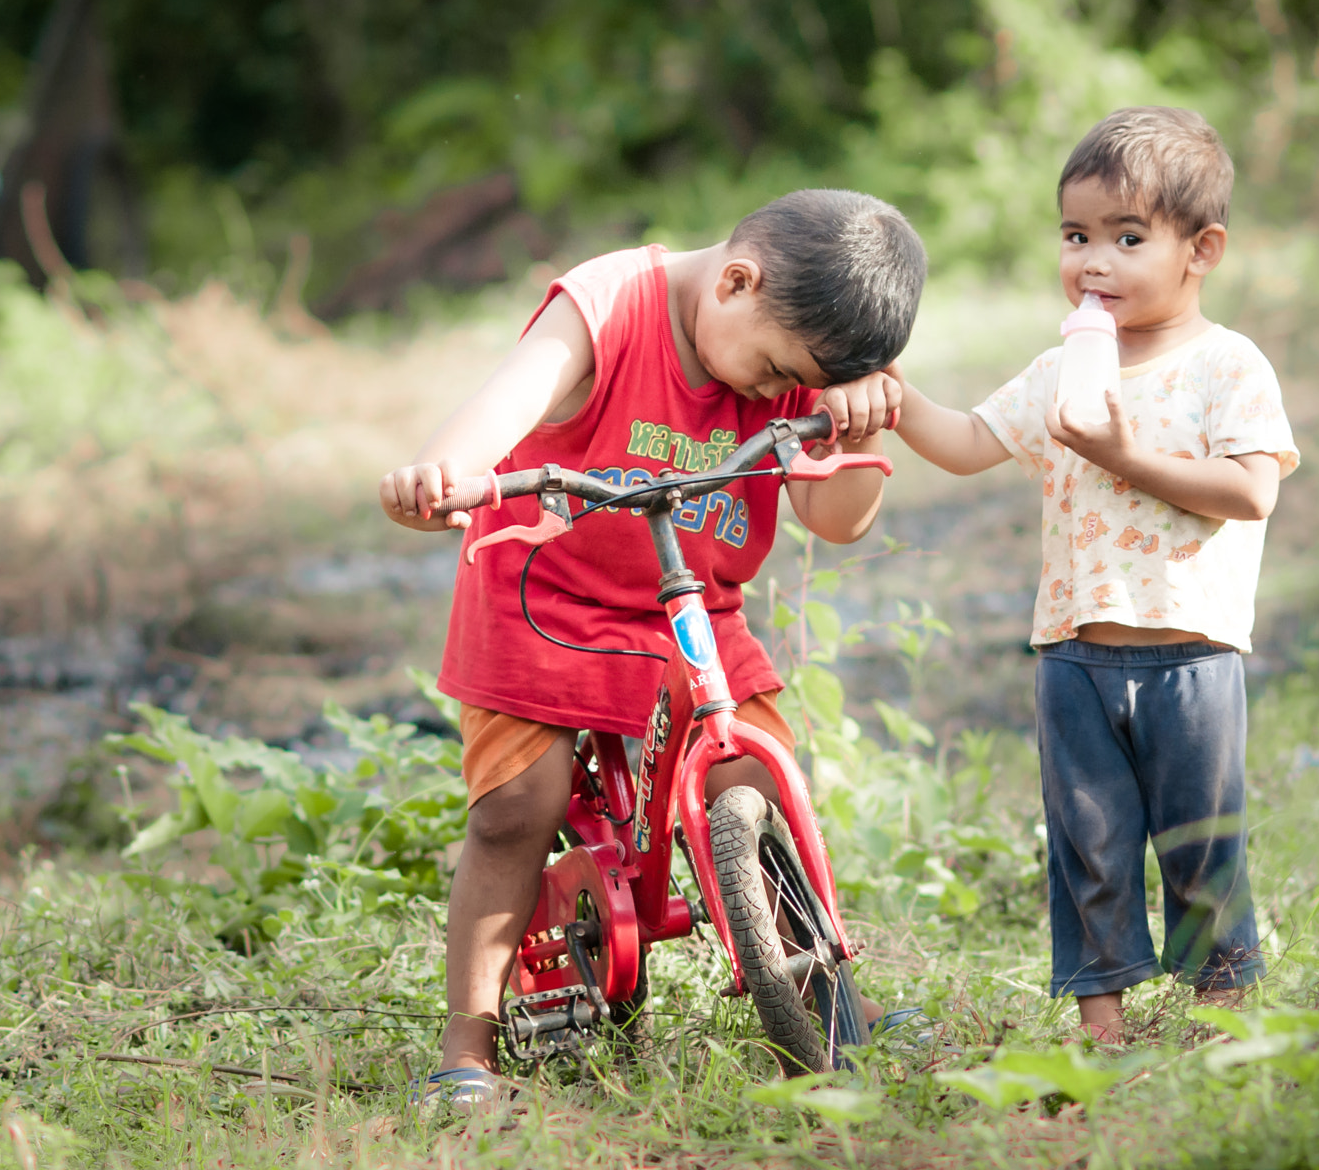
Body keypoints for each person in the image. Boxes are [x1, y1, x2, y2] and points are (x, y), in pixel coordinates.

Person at [379, 189, 923, 1099]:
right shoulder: (607, 305)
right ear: (736, 283)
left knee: (754, 777)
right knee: (521, 804)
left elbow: (834, 519)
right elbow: (501, 410)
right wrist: (448, 475)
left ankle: (828, 995)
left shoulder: (794, 350)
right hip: (540, 588)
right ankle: (465, 1043)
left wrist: (856, 416)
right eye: (769, 372)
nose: (767, 392)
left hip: (691, 603)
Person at [889, 108, 1297, 1043]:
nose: (1093, 262)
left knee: (1201, 842)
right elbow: (962, 444)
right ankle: (1100, 1028)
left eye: (1127, 238)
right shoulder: (1059, 371)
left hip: (1191, 654)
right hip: (1074, 655)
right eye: (1077, 237)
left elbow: (1248, 490)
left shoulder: (1226, 366)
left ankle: (1224, 1011)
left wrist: (1119, 453)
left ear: (1202, 250)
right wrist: (893, 390)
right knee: (1089, 846)